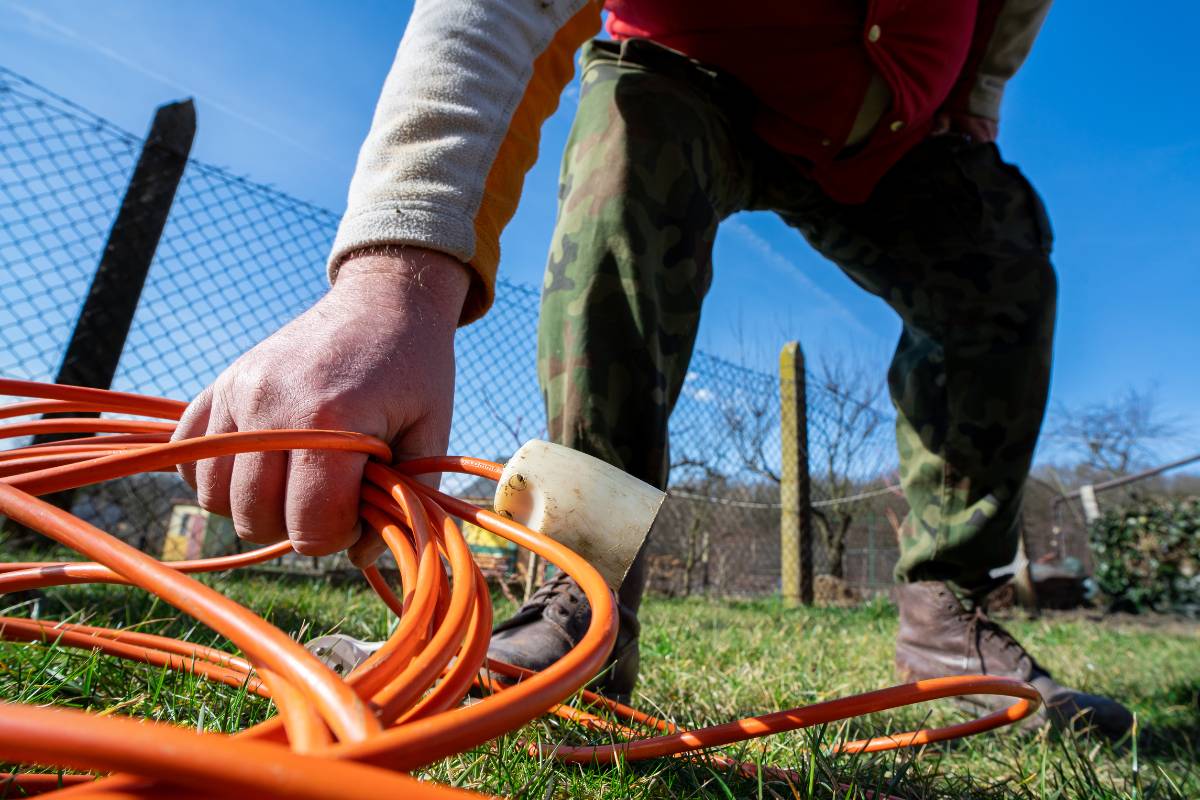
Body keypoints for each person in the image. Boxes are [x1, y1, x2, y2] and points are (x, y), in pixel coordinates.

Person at [175, 0, 1132, 738]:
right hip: (683, 73)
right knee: (628, 153)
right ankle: (579, 602)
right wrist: (393, 277)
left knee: (996, 250)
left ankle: (946, 620)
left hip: (883, 137)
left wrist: (973, 102)